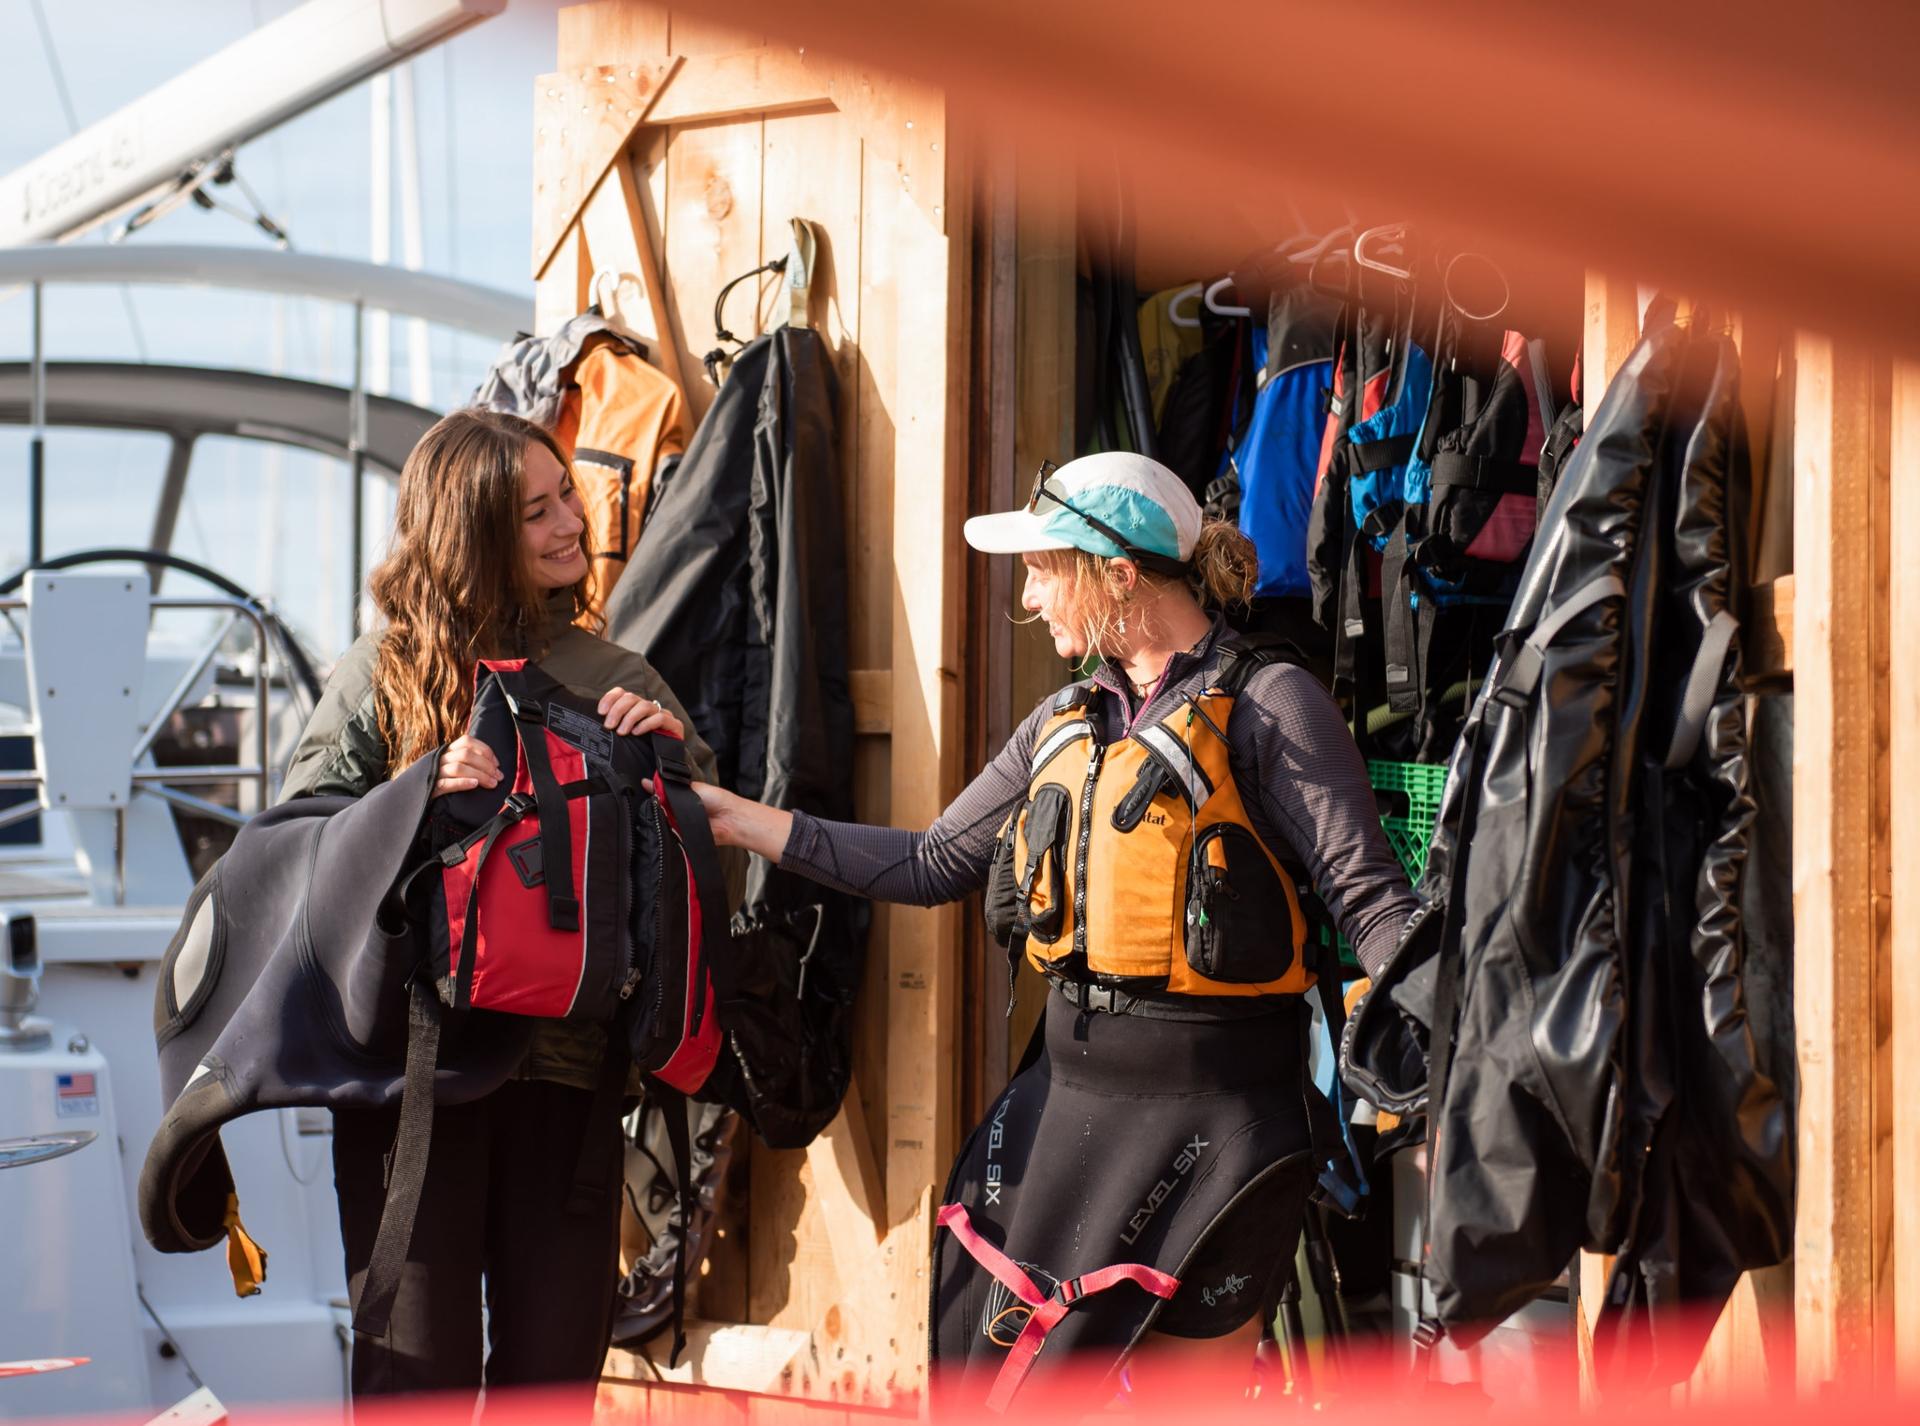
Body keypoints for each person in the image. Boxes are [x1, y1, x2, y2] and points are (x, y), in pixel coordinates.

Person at [694, 450, 1418, 1404]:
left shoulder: (1274, 707)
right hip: (1071, 1112)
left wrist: (1461, 1081)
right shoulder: (1064, 718)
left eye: (1043, 568)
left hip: (1221, 1127)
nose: (1030, 598)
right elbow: (929, 861)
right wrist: (736, 817)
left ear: (1117, 575)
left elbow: (1373, 906)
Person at [280, 408, 720, 1403]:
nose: (573, 521)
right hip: (411, 1091)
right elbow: (293, 858)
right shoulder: (379, 679)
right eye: (537, 509)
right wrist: (411, 799)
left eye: (568, 492)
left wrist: (668, 768)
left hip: (567, 1083)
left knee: (550, 1388)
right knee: (410, 1383)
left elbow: (694, 882)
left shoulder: (623, 680)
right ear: (473, 530)